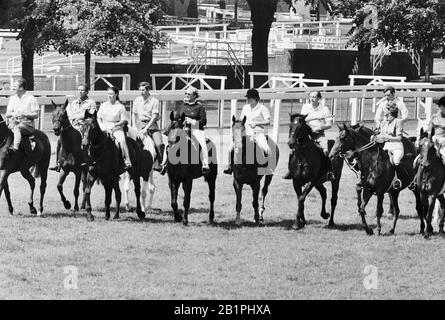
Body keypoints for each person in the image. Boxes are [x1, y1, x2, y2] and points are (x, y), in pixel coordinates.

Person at [283, 90, 335, 181]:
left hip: (319, 135)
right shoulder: (305, 107)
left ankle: (328, 172)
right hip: (306, 135)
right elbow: (301, 121)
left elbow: (329, 125)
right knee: (293, 149)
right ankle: (290, 170)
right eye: (311, 97)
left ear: (319, 98)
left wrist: (319, 127)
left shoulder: (325, 109)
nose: (312, 99)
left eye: (314, 97)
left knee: (325, 151)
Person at [49, 84, 96, 172]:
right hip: (73, 125)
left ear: (87, 92)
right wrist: (75, 117)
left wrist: (79, 116)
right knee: (60, 139)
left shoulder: (91, 102)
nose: (80, 92)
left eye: (82, 90)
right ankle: (58, 162)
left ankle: (86, 159)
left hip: (84, 126)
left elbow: (91, 114)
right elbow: (69, 114)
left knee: (84, 139)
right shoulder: (73, 103)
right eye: (79, 90)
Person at [224, 88, 271, 174]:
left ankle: (266, 168)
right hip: (245, 133)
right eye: (247, 98)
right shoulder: (245, 107)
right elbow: (242, 120)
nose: (248, 100)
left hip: (258, 133)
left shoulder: (263, 108)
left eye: (250, 98)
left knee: (266, 148)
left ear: (256, 98)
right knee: (231, 147)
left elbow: (268, 122)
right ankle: (229, 166)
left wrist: (257, 123)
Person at [166, 86, 209, 173]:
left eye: (189, 94)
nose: (186, 95)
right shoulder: (182, 106)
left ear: (194, 96)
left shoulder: (200, 107)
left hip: (196, 130)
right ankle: (164, 163)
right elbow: (176, 118)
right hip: (182, 130)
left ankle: (205, 164)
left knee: (203, 144)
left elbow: (203, 121)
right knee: (169, 142)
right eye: (185, 93)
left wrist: (191, 121)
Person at [132, 81, 166, 175]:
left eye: (143, 90)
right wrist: (134, 126)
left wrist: (146, 128)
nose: (141, 92)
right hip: (139, 124)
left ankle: (161, 164)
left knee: (159, 143)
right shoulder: (137, 100)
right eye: (140, 90)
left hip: (151, 125)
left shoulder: (154, 101)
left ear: (148, 90)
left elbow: (154, 117)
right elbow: (134, 114)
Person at [97, 86, 132, 171]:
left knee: (122, 140)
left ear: (116, 94)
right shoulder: (103, 105)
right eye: (108, 94)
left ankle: (127, 160)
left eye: (111, 94)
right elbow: (98, 117)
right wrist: (102, 127)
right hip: (103, 127)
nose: (109, 96)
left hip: (116, 127)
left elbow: (123, 120)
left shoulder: (121, 107)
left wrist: (113, 126)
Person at [5, 78, 40, 155]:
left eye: (15, 86)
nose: (13, 88)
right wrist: (14, 114)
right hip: (13, 123)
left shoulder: (31, 98)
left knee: (16, 128)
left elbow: (36, 115)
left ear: (21, 87)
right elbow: (7, 114)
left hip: (27, 126)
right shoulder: (12, 98)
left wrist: (25, 114)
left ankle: (15, 148)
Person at [374, 102, 404, 190]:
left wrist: (387, 136)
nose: (383, 111)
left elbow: (399, 138)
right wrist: (375, 137)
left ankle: (398, 179)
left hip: (397, 146)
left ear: (390, 111)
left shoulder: (398, 121)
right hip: (387, 146)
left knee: (395, 160)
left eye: (385, 109)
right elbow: (381, 136)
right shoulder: (384, 122)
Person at [428, 96, 445, 165]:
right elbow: (429, 129)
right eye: (441, 106)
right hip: (434, 139)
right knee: (421, 157)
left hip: (443, 142)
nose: (441, 108)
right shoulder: (434, 116)